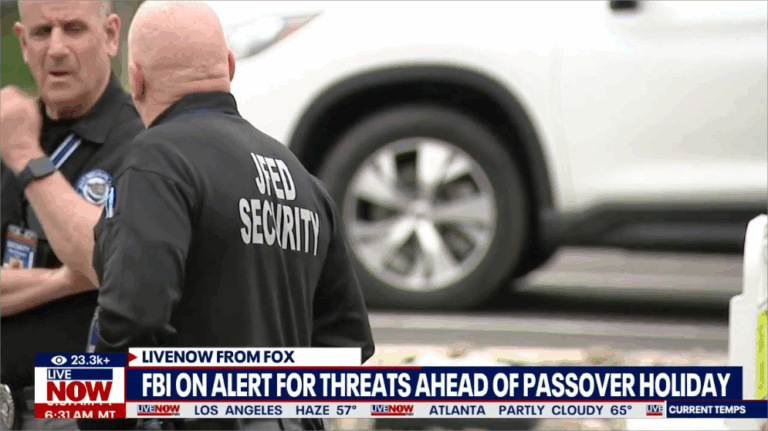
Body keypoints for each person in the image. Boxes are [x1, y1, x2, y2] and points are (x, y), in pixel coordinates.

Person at [76, 1, 375, 430]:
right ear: (230, 67)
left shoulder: (157, 160)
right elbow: (347, 348)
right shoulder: (302, 180)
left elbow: (134, 314)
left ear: (136, 79)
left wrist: (98, 418)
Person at [0, 1, 144, 429]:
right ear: (23, 43)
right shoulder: (8, 130)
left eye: (74, 28)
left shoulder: (144, 143)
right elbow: (88, 266)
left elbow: (112, 267)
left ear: (111, 35)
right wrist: (65, 279)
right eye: (43, 33)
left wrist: (27, 156)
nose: (57, 49)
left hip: (87, 408)